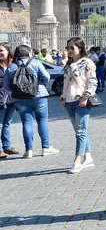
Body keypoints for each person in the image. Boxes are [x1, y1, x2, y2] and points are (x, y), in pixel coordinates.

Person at [5, 45, 59, 159]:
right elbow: (46, 77)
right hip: (39, 95)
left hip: (19, 99)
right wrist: (41, 85)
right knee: (42, 120)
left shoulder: (11, 67)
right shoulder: (36, 62)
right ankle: (46, 148)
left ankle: (28, 150)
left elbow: (7, 86)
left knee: (26, 122)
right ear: (29, 53)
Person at [61, 37, 97, 173]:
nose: (69, 50)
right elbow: (66, 83)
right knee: (79, 131)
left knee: (80, 132)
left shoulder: (87, 63)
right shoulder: (68, 64)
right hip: (69, 100)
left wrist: (86, 96)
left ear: (80, 49)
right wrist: (62, 98)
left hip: (81, 100)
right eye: (68, 47)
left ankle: (77, 161)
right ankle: (88, 157)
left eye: (72, 48)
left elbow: (92, 81)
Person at [0, 43, 19, 158]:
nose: (0, 53)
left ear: (8, 52)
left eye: (1, 50)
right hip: (0, 99)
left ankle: (6, 147)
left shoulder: (13, 66)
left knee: (7, 124)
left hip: (11, 100)